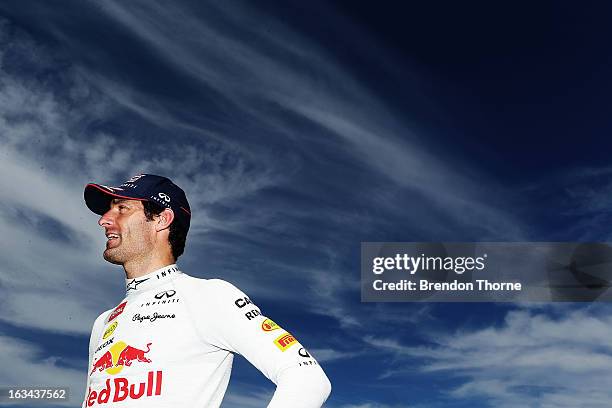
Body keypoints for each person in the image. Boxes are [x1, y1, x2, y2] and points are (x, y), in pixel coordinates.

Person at [81, 173, 331, 407]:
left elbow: (306, 377)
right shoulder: (103, 322)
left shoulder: (209, 296)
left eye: (122, 208)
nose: (105, 219)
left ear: (161, 219)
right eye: (109, 209)